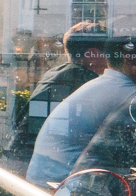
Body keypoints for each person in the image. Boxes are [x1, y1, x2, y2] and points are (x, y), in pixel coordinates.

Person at [29, 32, 136, 187]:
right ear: (129, 60)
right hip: (61, 184)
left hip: (44, 177)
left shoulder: (102, 84)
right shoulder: (127, 93)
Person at [16, 22, 107, 160]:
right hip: (49, 164)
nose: (112, 57)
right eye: (108, 51)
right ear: (93, 54)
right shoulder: (85, 81)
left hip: (27, 157)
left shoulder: (53, 74)